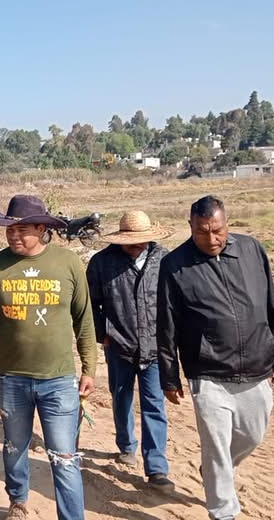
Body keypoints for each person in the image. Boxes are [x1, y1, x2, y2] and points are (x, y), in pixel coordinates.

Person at [157, 195, 274, 520]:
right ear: (190, 227)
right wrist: (169, 376)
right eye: (203, 232)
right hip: (208, 372)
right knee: (216, 444)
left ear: (227, 223)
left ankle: (216, 470)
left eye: (218, 230)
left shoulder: (251, 250)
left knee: (252, 435)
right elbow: (167, 325)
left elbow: (271, 304)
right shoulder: (175, 265)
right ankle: (223, 511)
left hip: (257, 366)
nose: (212, 239)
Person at [0, 195, 97, 520]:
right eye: (9, 229)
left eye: (22, 229)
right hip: (11, 379)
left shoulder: (67, 264)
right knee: (15, 448)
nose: (13, 235)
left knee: (64, 457)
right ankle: (18, 501)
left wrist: (89, 368)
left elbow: (84, 319)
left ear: (41, 228)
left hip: (58, 381)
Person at [86, 210, 175, 491]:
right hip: (119, 344)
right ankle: (126, 445)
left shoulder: (164, 260)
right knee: (121, 398)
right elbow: (91, 304)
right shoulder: (102, 263)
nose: (138, 246)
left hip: (155, 346)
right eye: (132, 242)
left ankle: (157, 467)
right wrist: (103, 334)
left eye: (143, 241)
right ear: (121, 240)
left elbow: (174, 303)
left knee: (154, 404)